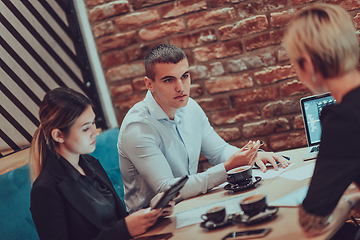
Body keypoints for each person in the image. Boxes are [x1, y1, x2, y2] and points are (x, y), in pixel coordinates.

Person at [118, 44, 290, 213]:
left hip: (190, 206)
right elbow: (166, 188)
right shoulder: (137, 127)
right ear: (149, 84)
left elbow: (219, 151)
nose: (181, 87)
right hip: (151, 226)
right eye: (169, 80)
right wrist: (228, 167)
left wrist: (250, 156)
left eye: (184, 76)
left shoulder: (190, 106)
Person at [30, 87, 174, 240]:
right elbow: (119, 229)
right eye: (85, 128)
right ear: (58, 135)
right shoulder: (45, 190)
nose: (95, 131)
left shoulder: (90, 164)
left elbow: (118, 221)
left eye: (93, 122)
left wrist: (152, 212)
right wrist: (125, 229)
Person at [283, 4, 360, 238]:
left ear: (309, 64)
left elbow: (312, 220)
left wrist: (346, 204)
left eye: (295, 63)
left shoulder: (345, 120)